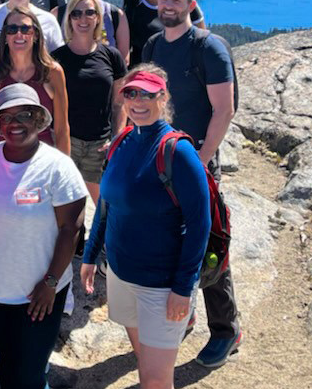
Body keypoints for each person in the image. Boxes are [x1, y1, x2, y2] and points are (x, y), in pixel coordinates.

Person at [80, 66, 211, 389]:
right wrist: (89, 254)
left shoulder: (178, 152)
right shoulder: (122, 141)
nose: (137, 101)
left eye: (147, 94)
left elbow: (199, 225)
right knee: (144, 361)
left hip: (161, 285)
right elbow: (107, 204)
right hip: (121, 275)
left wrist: (183, 288)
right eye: (130, 93)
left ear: (163, 97)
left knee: (154, 380)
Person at [138, 0, 241, 368]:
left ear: (189, 3)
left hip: (197, 160)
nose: (168, 4)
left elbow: (224, 109)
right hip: (160, 157)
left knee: (209, 241)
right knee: (169, 237)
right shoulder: (152, 45)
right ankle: (186, 311)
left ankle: (226, 329)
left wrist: (201, 157)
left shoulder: (208, 48)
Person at [0, 83, 87, 389]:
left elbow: (70, 229)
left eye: (24, 115)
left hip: (39, 296)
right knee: (10, 358)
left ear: (38, 120)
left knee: (23, 377)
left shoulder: (58, 167)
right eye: (7, 117)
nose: (15, 123)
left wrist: (51, 282)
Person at [51, 0, 128, 203]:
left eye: (89, 13)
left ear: (97, 18)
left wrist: (116, 138)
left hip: (100, 144)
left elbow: (119, 104)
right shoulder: (56, 58)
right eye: (76, 13)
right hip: (68, 142)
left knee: (105, 207)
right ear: (69, 18)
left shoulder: (112, 56)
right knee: (67, 206)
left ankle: (101, 238)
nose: (82, 19)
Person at [0, 8, 70, 155]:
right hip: (0, 160)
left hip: (41, 160)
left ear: (36, 34)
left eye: (26, 29)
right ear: (5, 36)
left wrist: (64, 170)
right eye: (12, 29)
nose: (19, 34)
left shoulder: (53, 73)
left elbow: (61, 130)